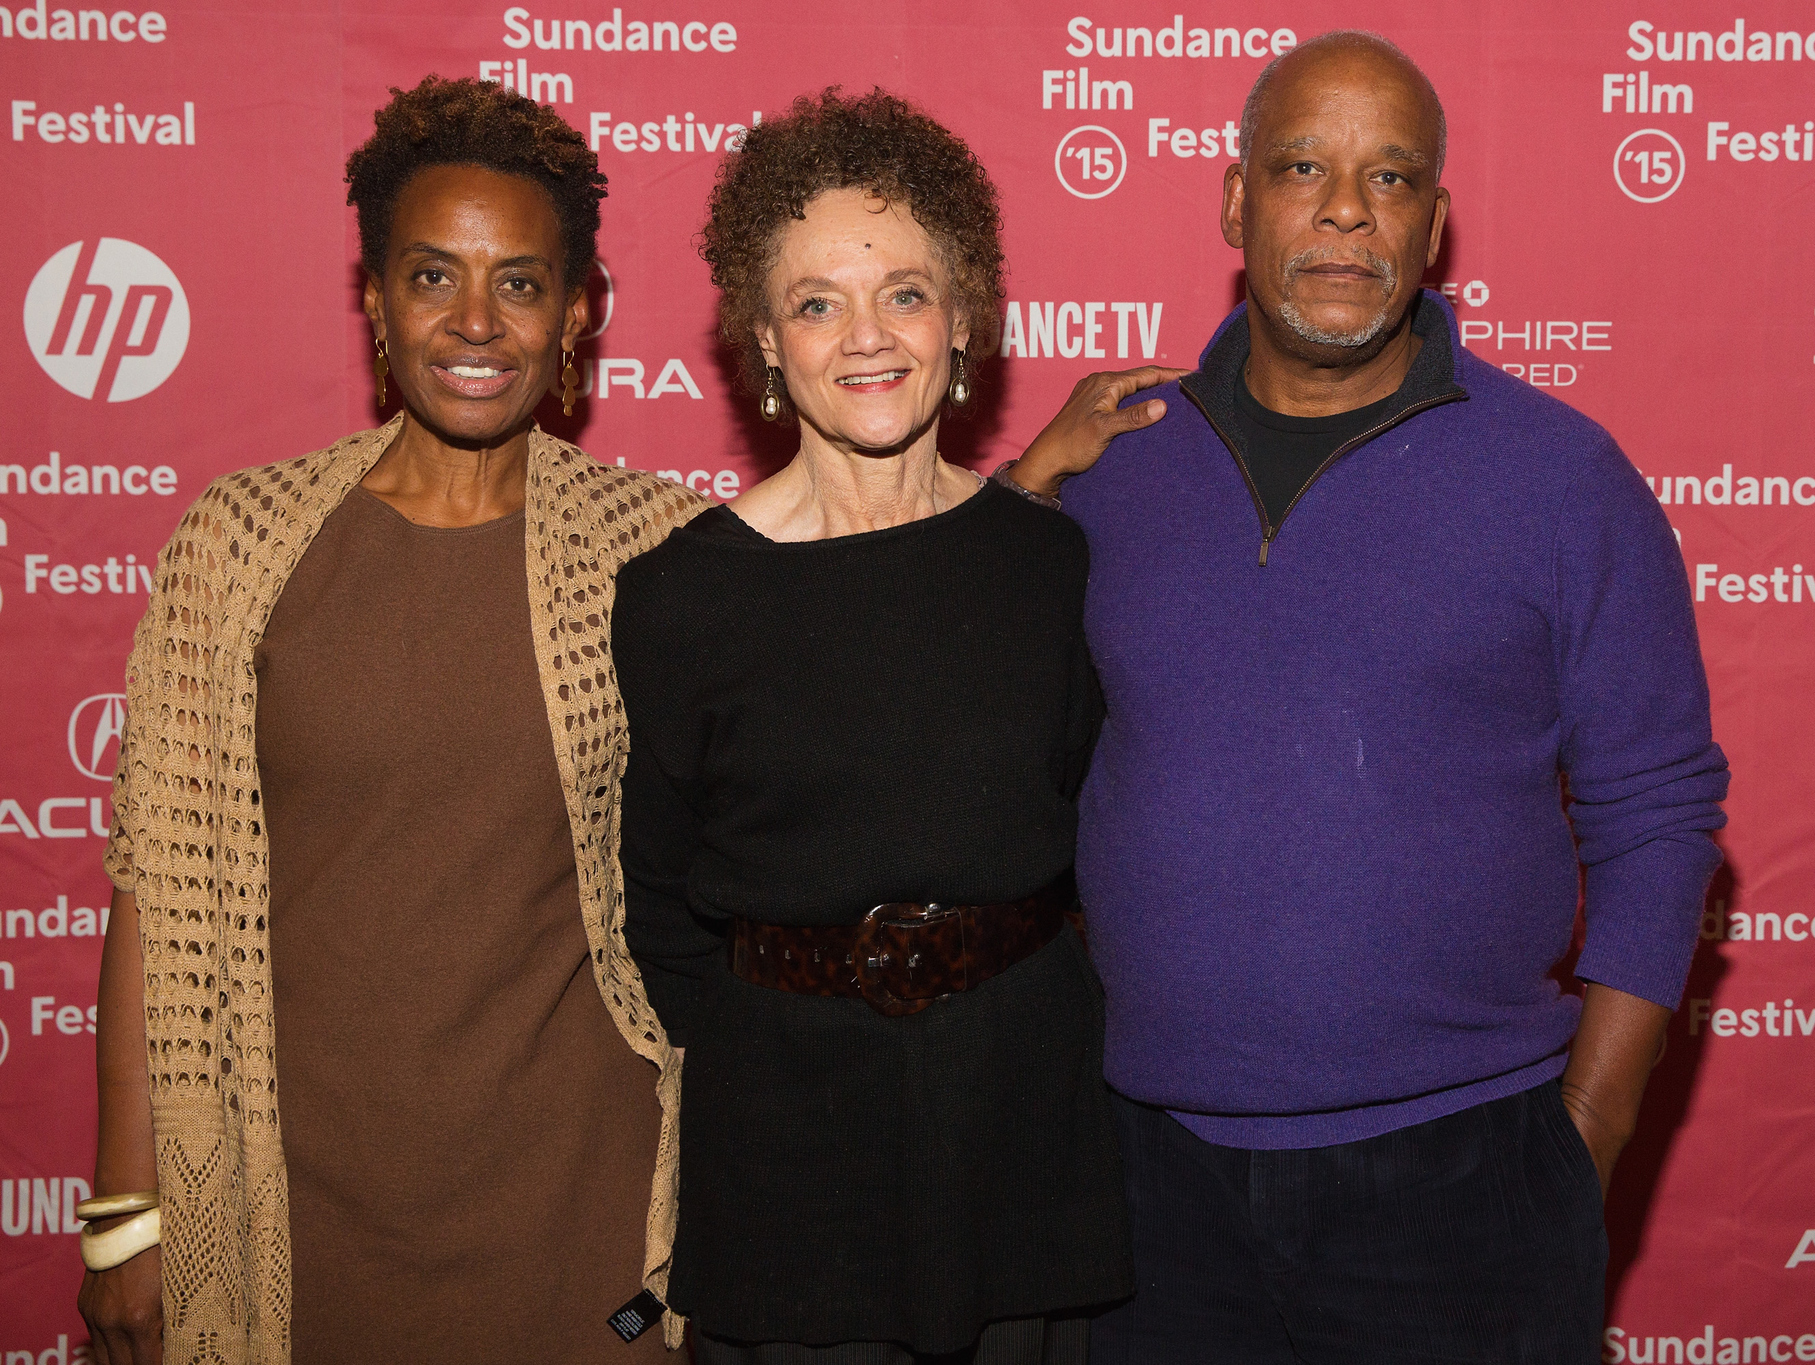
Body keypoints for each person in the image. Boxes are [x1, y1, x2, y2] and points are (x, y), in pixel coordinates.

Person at [1005, 31, 1730, 1364]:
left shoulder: (1564, 478)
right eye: (1301, 168)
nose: (1346, 210)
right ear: (1234, 202)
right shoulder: (1112, 464)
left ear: (1436, 224)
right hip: (1145, 1187)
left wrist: (1592, 1129)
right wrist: (1021, 495)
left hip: (1467, 1182)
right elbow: (966, 715)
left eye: (1391, 177)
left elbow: (1660, 809)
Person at [78, 76, 703, 1365]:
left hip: (584, 1209)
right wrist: (128, 1216)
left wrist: (1021, 497)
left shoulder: (662, 550)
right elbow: (158, 888)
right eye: (432, 276)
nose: (476, 321)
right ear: (373, 297)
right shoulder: (241, 544)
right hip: (297, 1211)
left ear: (579, 312)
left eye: (522, 283)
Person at [612, 88, 1141, 1365]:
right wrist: (787, 1031)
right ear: (764, 338)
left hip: (1024, 1118)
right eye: (816, 301)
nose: (866, 337)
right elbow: (662, 898)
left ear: (962, 319)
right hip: (787, 1144)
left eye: (903, 293)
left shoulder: (1050, 568)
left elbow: (1095, 835)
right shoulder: (681, 595)